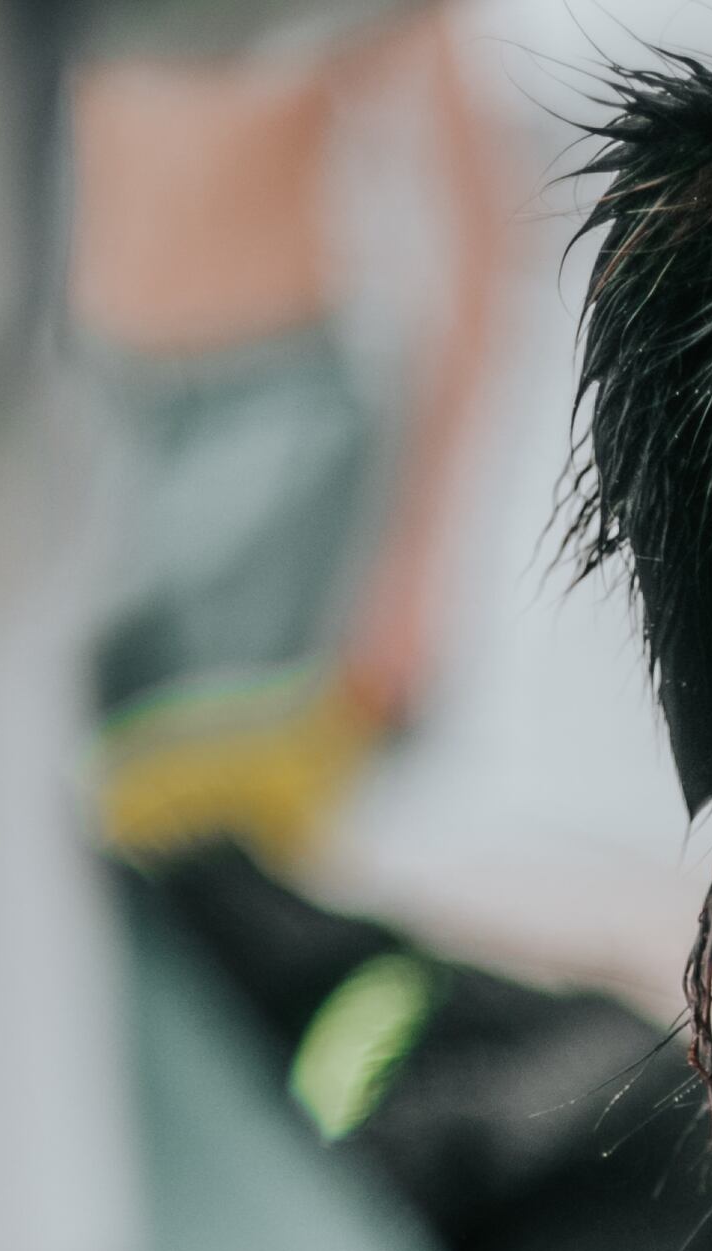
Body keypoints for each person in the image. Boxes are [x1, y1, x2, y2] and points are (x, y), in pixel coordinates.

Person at [72, 4, 515, 867]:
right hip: (89, 424)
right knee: (88, 859)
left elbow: (477, 249)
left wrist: (418, 563)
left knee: (249, 865)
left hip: (283, 439)